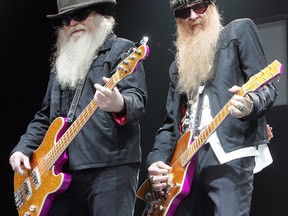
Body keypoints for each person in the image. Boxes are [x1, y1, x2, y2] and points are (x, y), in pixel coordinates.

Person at [9, 0, 148, 215]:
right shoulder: (62, 63)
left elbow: (137, 100)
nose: (73, 23)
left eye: (81, 14)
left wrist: (118, 104)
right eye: (66, 20)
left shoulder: (123, 50)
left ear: (102, 15)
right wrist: (23, 148)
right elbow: (46, 116)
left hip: (110, 167)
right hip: (63, 172)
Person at [145, 0, 278, 215]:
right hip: (185, 164)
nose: (192, 16)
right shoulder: (177, 66)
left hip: (229, 152)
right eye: (183, 12)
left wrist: (249, 104)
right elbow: (170, 126)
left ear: (212, 6)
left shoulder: (238, 31)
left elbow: (266, 89)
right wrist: (157, 160)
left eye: (198, 7)